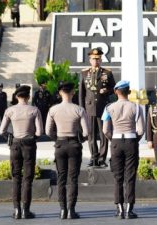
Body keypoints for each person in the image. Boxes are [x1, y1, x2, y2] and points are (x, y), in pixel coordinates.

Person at [46, 82, 89, 220]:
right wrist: (79, 140)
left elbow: (47, 131)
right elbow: (86, 132)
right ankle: (71, 210)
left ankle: (62, 209)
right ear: (73, 93)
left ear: (59, 93)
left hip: (60, 144)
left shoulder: (53, 110)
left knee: (61, 178)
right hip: (74, 145)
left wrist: (57, 140)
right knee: (73, 179)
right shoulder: (79, 109)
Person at [102, 80, 145, 219]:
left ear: (116, 92)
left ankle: (119, 209)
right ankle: (129, 209)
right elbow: (141, 129)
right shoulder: (137, 108)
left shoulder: (108, 108)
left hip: (116, 141)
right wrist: (134, 139)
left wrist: (113, 139)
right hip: (131, 140)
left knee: (118, 177)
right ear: (129, 92)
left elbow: (105, 130)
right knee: (130, 176)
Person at [0, 85, 43, 219]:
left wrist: (10, 137)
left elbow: (2, 131)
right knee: (28, 178)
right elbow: (40, 132)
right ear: (28, 97)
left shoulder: (10, 110)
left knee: (16, 177)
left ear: (17, 97)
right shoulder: (34, 110)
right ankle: (26, 210)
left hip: (15, 144)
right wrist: (32, 138)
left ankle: (16, 210)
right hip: (29, 144)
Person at [79, 47, 116, 167]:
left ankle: (102, 158)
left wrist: (107, 91)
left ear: (101, 60)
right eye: (94, 59)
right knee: (91, 134)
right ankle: (93, 157)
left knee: (103, 133)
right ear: (90, 60)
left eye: (98, 59)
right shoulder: (84, 73)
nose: (96, 61)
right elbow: (81, 93)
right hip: (89, 108)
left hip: (103, 107)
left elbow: (114, 89)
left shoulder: (107, 73)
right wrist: (81, 109)